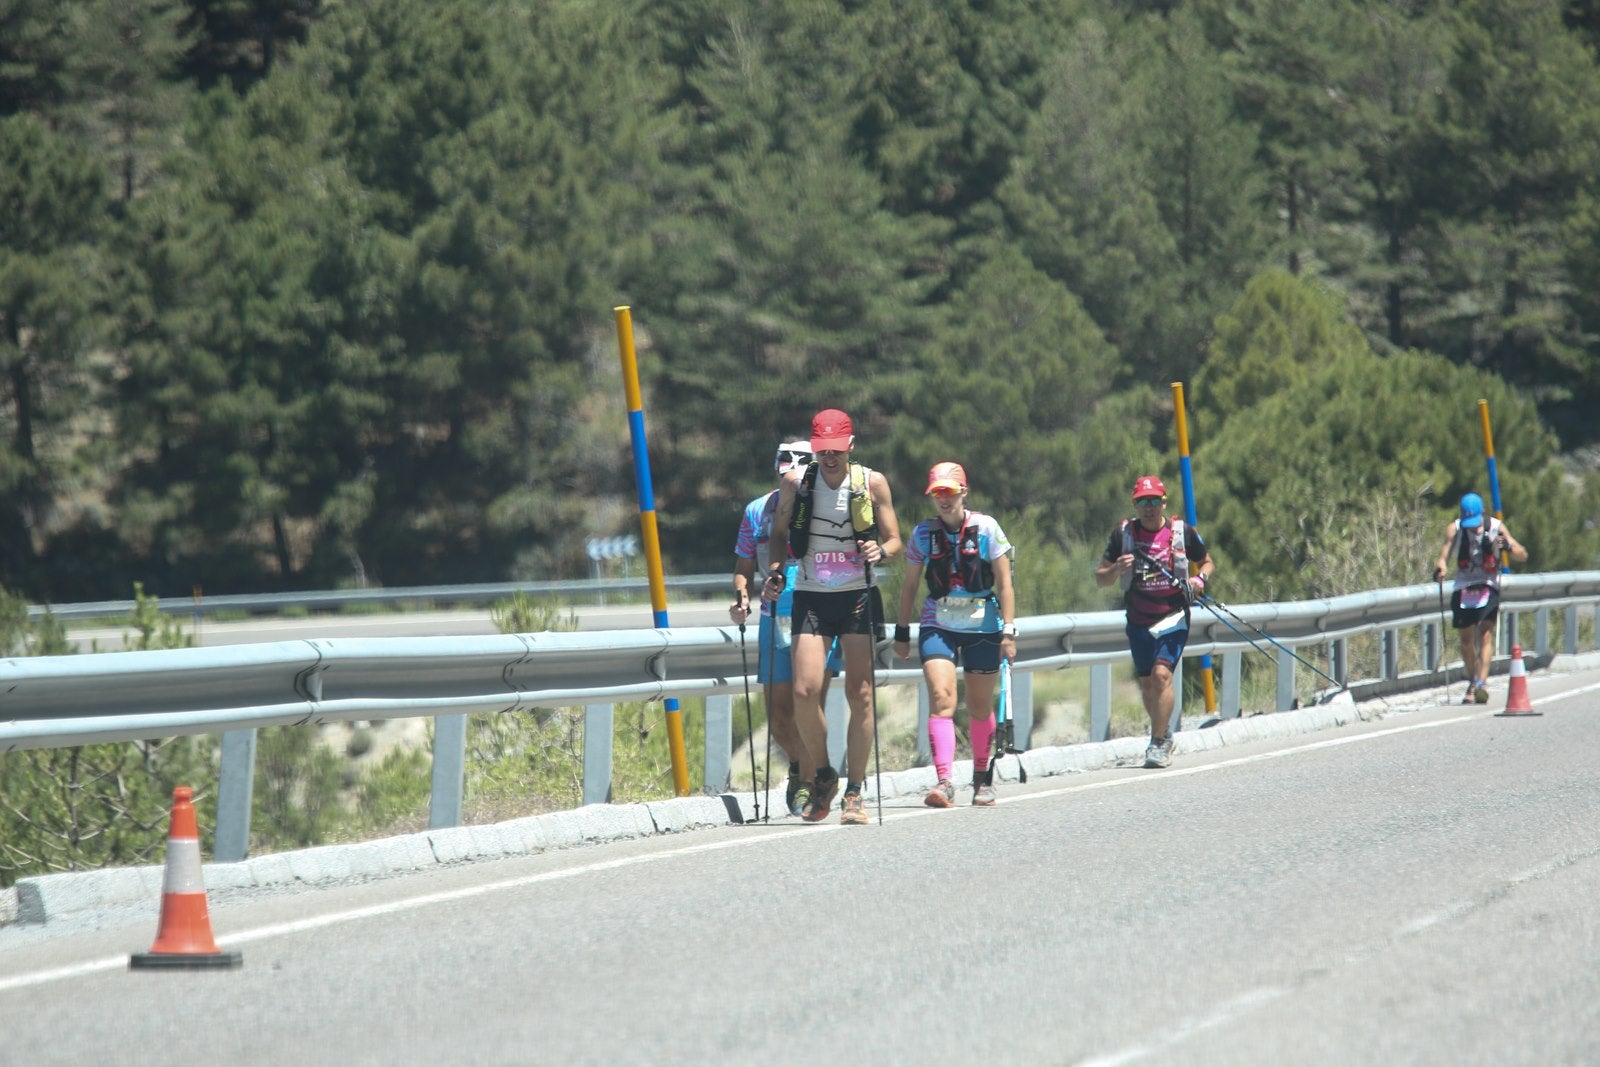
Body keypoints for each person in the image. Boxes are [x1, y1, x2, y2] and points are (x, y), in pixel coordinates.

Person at [766, 408, 900, 826]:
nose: (829, 457)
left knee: (860, 695)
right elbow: (779, 536)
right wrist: (773, 573)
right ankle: (824, 774)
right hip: (810, 595)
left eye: (836, 450)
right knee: (805, 691)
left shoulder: (871, 483)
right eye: (822, 450)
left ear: (851, 446)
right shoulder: (796, 483)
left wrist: (882, 551)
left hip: (856, 597)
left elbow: (896, 539)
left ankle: (855, 791)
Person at [893, 462, 1016, 807]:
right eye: (937, 493)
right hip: (938, 622)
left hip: (983, 625)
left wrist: (1008, 631)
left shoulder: (987, 528)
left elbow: (1005, 583)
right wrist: (902, 631)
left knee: (978, 706)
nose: (943, 499)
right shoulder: (922, 534)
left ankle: (982, 777)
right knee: (942, 698)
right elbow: (910, 585)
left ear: (964, 492)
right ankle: (944, 781)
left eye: (949, 491)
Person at [728, 440, 838, 816]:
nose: (790, 467)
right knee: (778, 717)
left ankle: (810, 784)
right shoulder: (756, 510)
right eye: (784, 462)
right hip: (775, 616)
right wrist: (742, 597)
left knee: (810, 702)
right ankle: (799, 766)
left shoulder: (826, 506)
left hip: (819, 612)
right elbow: (744, 568)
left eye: (799, 462)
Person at [1094, 475, 1215, 769]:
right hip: (1138, 621)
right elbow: (1100, 579)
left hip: (1173, 616)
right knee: (1148, 685)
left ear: (1163, 502)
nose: (1148, 507)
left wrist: (1200, 579)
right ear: (1135, 504)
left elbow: (1208, 562)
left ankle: (1157, 742)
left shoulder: (1181, 532)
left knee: (1162, 676)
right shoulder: (1123, 535)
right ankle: (1164, 733)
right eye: (1142, 502)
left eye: (1153, 501)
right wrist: (1115, 570)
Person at [1431, 491, 1528, 704]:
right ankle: (1472, 680)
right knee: (1466, 640)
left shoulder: (1495, 526)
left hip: (1488, 584)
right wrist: (1441, 566)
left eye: (1475, 522)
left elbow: (1523, 554)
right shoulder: (1455, 529)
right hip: (1464, 586)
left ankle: (1481, 684)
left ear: (1482, 513)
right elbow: (1444, 555)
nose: (1473, 527)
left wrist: (1508, 547)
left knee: (1484, 634)